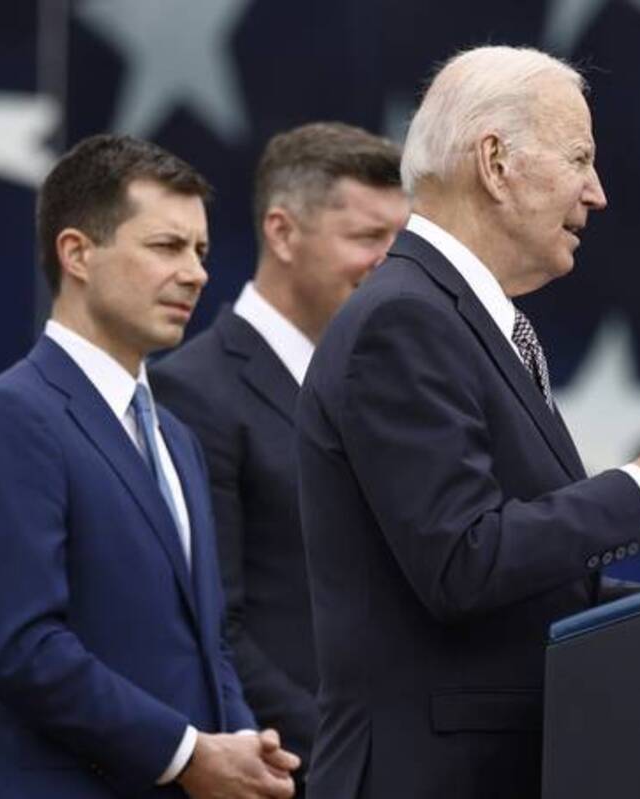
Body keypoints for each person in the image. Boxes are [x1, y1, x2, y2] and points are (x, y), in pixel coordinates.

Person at [294, 46, 640, 799]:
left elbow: (517, 593)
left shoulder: (461, 320)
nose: (597, 193)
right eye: (579, 157)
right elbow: (462, 561)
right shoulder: (404, 321)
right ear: (495, 162)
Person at [0, 134, 299, 798]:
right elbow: (20, 648)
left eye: (201, 251)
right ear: (76, 252)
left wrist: (247, 750)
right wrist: (189, 755)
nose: (195, 272)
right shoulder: (10, 418)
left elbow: (207, 642)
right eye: (166, 246)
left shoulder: (177, 438)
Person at [151, 122, 409, 796]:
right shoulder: (194, 389)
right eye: (366, 238)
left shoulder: (389, 387)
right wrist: (352, 757)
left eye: (399, 241)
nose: (391, 262)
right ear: (282, 232)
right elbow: (214, 627)